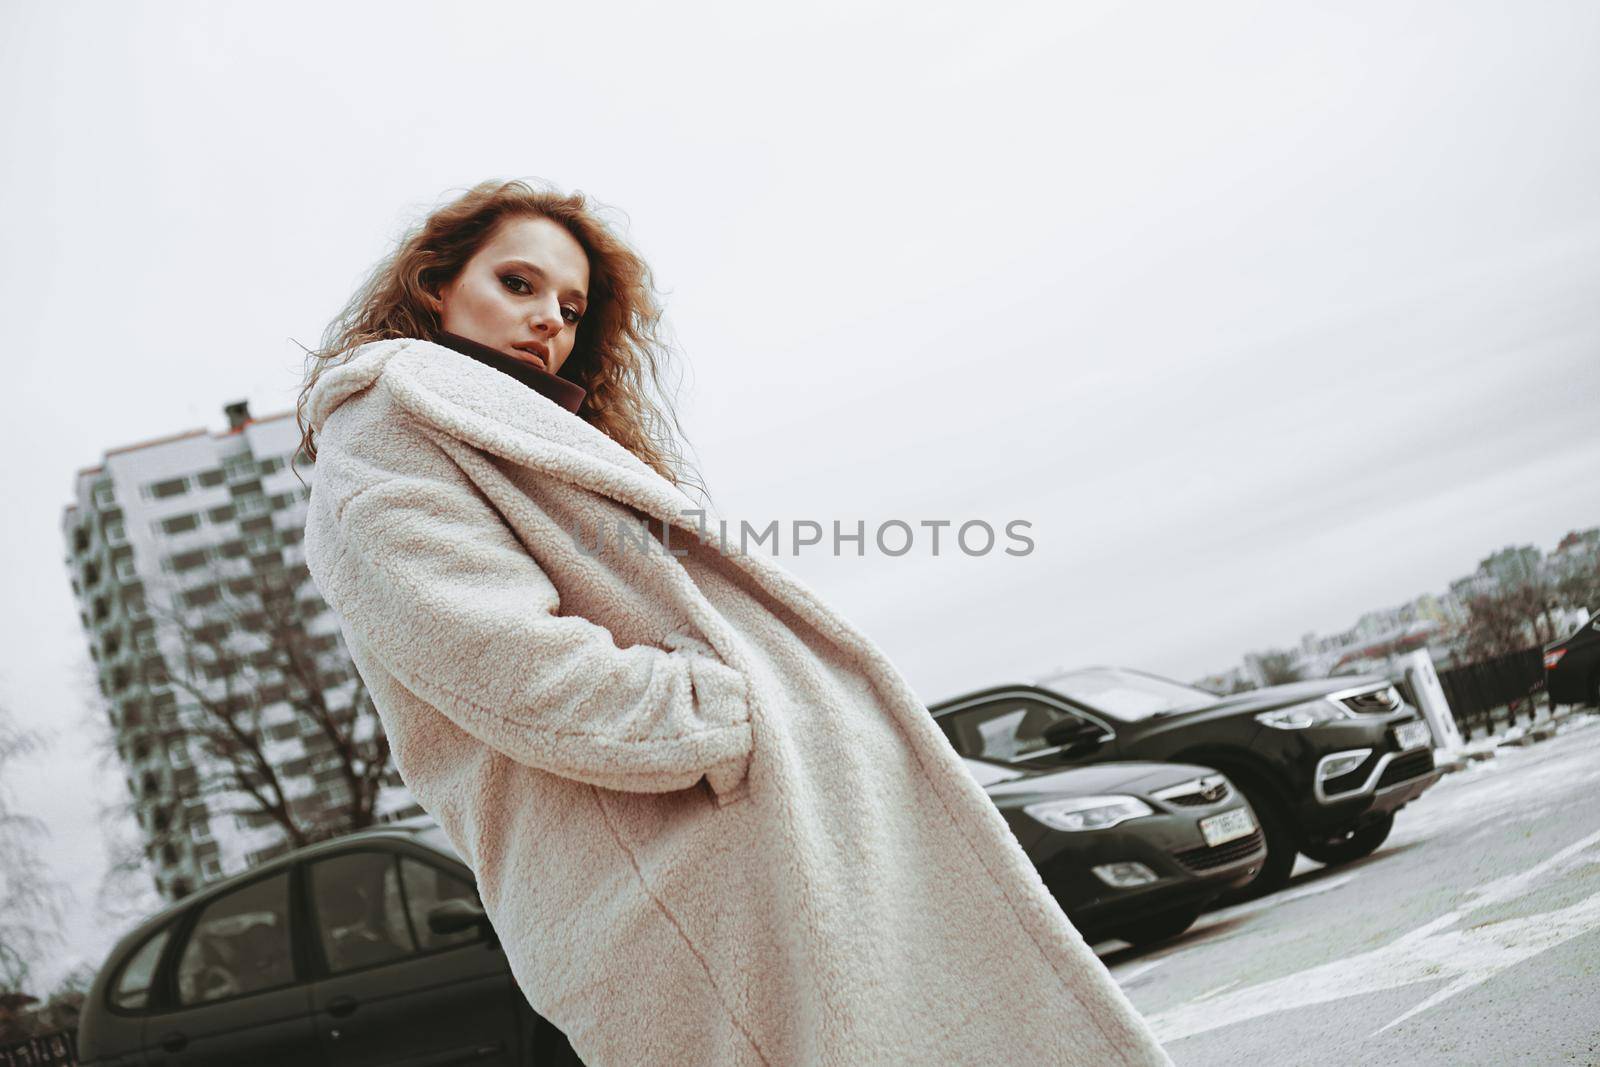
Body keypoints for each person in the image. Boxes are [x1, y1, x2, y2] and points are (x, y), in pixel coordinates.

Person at [297, 178, 1171, 1066]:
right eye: (517, 285)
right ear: (435, 284)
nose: (547, 322)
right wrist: (724, 717)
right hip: (665, 875)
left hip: (737, 859)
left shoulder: (515, 431)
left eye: (570, 306)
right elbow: (500, 659)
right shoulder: (385, 427)